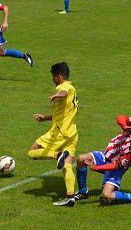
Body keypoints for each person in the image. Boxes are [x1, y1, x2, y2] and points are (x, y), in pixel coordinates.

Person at [27, 62, 79, 207]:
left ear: (59, 76)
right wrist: (45, 118)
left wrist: (56, 95)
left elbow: (63, 93)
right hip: (72, 133)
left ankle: (57, 155)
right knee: (67, 165)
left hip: (59, 133)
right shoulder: (73, 88)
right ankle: (70, 196)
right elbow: (63, 112)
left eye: (53, 76)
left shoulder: (64, 87)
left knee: (32, 152)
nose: (52, 79)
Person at [75, 115, 131, 205]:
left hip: (116, 169)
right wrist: (124, 126)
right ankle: (82, 192)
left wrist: (96, 167)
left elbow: (115, 165)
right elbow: (120, 117)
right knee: (81, 159)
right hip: (105, 156)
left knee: (106, 194)